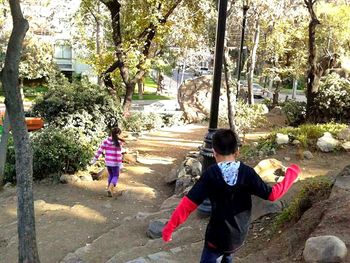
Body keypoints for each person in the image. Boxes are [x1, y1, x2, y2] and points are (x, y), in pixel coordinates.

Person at [162, 129, 300, 263]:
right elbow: (272, 195)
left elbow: (187, 205)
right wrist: (291, 174)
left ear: (214, 152)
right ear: (237, 152)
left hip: (216, 239)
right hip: (238, 237)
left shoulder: (211, 174)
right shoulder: (247, 172)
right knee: (228, 256)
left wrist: (169, 229)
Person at [91, 127, 125, 197]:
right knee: (115, 176)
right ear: (118, 134)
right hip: (115, 163)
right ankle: (110, 188)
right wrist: (120, 165)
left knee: (111, 175)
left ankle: (109, 189)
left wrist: (94, 160)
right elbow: (118, 155)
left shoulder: (105, 141)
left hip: (108, 162)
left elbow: (99, 151)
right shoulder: (118, 142)